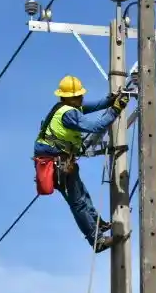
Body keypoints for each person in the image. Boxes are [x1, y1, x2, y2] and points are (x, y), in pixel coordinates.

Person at [34, 75, 130, 253]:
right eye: (78, 95)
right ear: (69, 97)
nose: (81, 98)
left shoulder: (67, 108)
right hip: (56, 163)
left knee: (82, 195)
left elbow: (94, 106)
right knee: (78, 202)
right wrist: (115, 110)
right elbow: (96, 126)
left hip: (60, 160)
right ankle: (97, 240)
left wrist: (111, 101)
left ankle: (97, 223)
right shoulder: (68, 114)